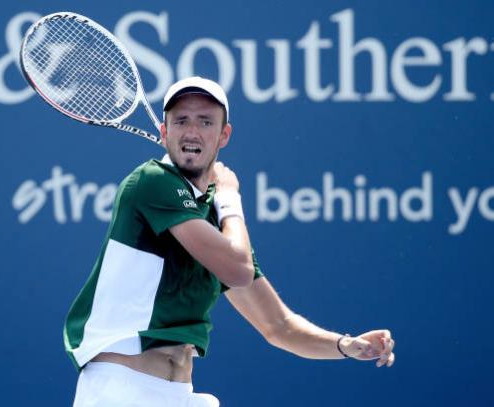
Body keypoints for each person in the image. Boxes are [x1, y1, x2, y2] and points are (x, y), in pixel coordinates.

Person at [64, 76, 395, 407]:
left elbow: (278, 326)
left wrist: (345, 345)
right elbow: (238, 270)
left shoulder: (214, 224)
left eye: (205, 121)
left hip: (179, 395)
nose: (192, 131)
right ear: (165, 133)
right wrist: (229, 197)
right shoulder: (153, 181)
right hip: (120, 392)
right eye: (181, 121)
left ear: (224, 135)